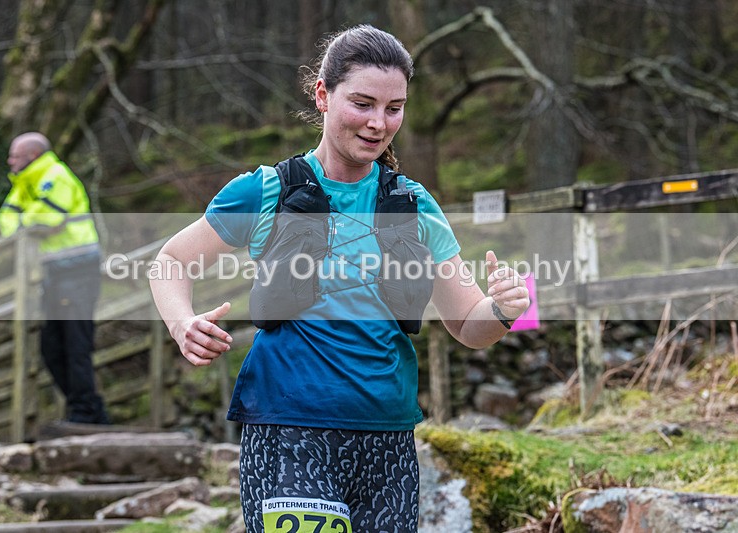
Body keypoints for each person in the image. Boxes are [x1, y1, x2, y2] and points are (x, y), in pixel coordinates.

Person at [150, 25, 529, 532]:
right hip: (290, 434)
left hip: (389, 443)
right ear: (323, 95)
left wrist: (503, 309)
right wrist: (181, 324)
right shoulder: (265, 191)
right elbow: (170, 262)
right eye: (363, 103)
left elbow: (470, 327)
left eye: (394, 108)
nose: (378, 123)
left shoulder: (415, 205)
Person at [0, 132, 110, 425]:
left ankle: (86, 412)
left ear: (33, 156)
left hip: (78, 269)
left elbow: (48, 219)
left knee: (75, 343)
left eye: (15, 156)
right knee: (51, 347)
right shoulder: (25, 182)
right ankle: (89, 411)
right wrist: (26, 224)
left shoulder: (54, 176)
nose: (10, 161)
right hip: (53, 273)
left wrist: (26, 223)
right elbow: (6, 220)